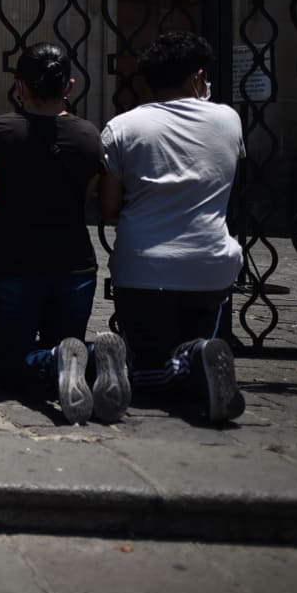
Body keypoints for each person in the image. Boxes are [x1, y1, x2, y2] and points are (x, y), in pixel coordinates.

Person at [0, 43, 130, 424]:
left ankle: (59, 358)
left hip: (13, 262)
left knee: (9, 370)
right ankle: (90, 359)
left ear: (20, 86)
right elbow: (88, 195)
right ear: (69, 85)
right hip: (74, 265)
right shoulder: (89, 135)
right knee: (66, 347)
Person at [99, 31, 246, 423]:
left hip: (143, 270)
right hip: (210, 266)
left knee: (148, 376)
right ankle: (196, 356)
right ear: (198, 77)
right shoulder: (229, 120)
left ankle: (186, 359)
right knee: (186, 362)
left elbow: (109, 206)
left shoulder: (122, 128)